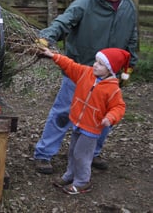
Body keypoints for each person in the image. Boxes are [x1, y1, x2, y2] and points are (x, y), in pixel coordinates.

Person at [34, 0, 138, 174]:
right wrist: (46, 38)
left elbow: (132, 40)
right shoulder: (87, 1)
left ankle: (92, 153)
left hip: (109, 77)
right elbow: (64, 21)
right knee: (63, 113)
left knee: (103, 118)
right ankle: (44, 154)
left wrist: (128, 70)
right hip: (81, 70)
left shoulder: (129, 9)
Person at [39, 46, 130, 194]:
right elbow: (70, 65)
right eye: (95, 61)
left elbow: (119, 107)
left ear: (110, 69)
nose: (95, 65)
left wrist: (110, 117)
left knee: (82, 154)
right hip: (78, 122)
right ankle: (70, 175)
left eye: (100, 64)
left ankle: (82, 181)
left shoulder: (113, 89)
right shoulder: (86, 73)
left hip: (92, 128)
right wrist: (53, 55)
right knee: (73, 151)